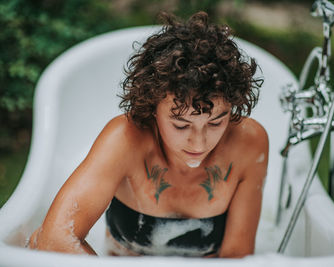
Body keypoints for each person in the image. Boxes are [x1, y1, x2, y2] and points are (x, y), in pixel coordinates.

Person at [28, 11, 269, 258]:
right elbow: (53, 239)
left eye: (216, 122)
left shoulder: (249, 142)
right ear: (152, 108)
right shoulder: (125, 138)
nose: (199, 142)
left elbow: (237, 256)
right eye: (181, 125)